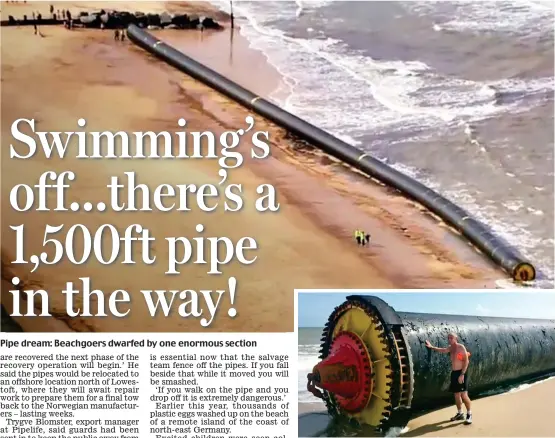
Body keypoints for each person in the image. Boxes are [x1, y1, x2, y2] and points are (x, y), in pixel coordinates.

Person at [426, 333, 472, 424]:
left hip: (461, 373)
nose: (449, 339)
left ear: (456, 338)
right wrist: (431, 347)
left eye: (451, 338)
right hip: (454, 373)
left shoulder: (461, 347)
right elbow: (443, 350)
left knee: (463, 395)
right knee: (456, 395)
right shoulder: (450, 348)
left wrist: (462, 374)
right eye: (448, 338)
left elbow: (466, 361)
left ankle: (469, 414)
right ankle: (460, 414)